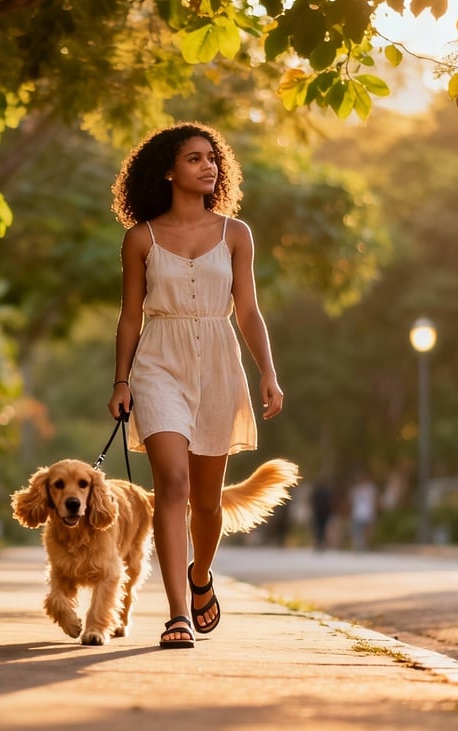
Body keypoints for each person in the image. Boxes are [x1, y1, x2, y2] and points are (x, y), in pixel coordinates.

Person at [107, 122, 284, 649]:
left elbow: (248, 312)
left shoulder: (236, 234)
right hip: (158, 363)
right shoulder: (141, 239)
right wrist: (121, 380)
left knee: (206, 502)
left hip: (219, 364)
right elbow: (129, 318)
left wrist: (268, 373)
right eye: (194, 158)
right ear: (168, 170)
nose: (209, 166)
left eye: (212, 158)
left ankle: (200, 574)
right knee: (173, 485)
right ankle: (177, 615)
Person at [348, 475, 378, 552]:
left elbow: (373, 501)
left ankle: (363, 545)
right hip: (358, 513)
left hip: (366, 513)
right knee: (358, 532)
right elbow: (351, 502)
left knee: (366, 531)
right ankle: (359, 546)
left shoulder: (369, 489)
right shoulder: (355, 490)